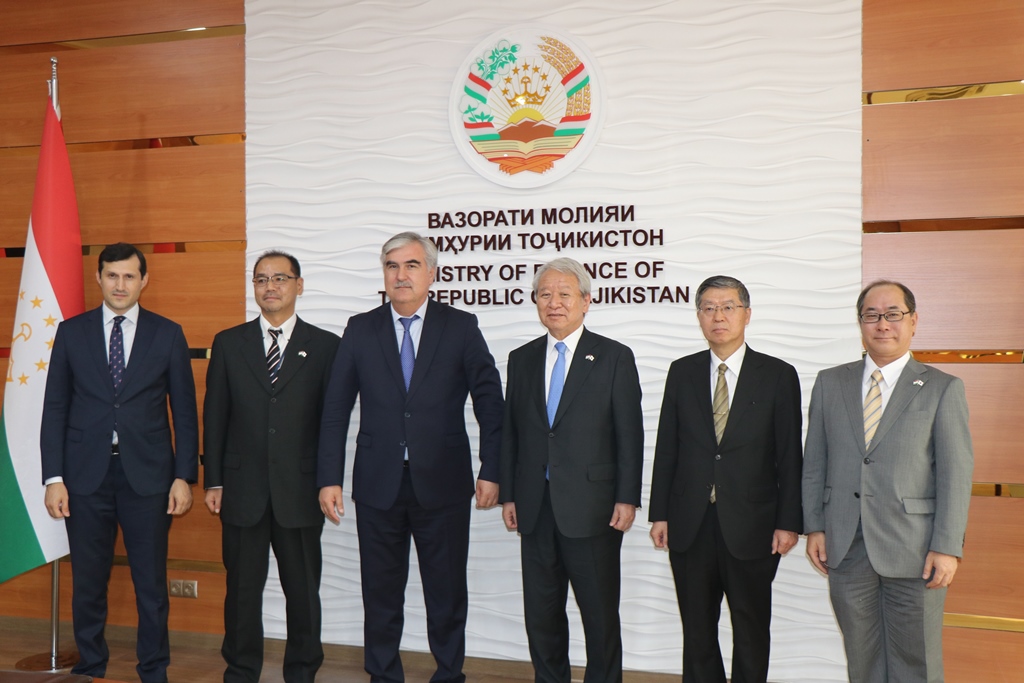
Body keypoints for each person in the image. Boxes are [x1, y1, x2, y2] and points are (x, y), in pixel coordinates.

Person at [317, 232, 503, 683]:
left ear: (431, 273)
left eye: (412, 265)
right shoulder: (360, 328)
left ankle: (449, 674)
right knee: (380, 594)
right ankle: (383, 675)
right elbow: (336, 407)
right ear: (383, 273)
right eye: (392, 266)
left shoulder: (460, 326)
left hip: (443, 482)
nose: (401, 275)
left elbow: (490, 401)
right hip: (377, 482)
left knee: (446, 592)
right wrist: (329, 477)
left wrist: (493, 468)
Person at [41, 242, 198, 683]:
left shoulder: (168, 334)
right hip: (84, 478)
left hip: (149, 478)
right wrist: (54, 477)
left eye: (130, 276)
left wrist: (184, 477)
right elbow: (55, 407)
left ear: (144, 280)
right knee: (88, 584)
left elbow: (185, 413)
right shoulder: (71, 333)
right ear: (99, 278)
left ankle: (154, 669)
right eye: (112, 275)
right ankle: (90, 666)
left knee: (151, 584)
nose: (120, 284)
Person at [803, 280, 974, 682]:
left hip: (915, 548)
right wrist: (815, 526)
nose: (883, 324)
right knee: (861, 659)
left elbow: (955, 473)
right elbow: (815, 462)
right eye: (872, 315)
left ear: (913, 321)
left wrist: (947, 546)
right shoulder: (830, 382)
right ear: (860, 322)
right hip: (846, 545)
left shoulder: (942, 388)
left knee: (917, 660)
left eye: (893, 314)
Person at [648, 275, 803, 683]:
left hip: (754, 524)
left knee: (751, 628)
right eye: (709, 308)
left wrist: (789, 522)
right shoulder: (682, 372)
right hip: (690, 522)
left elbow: (790, 456)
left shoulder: (777, 374)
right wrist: (660, 513)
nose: (718, 316)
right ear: (699, 316)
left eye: (728, 307)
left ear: (747, 314)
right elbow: (668, 447)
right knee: (697, 630)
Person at [499, 257, 644, 683]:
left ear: (585, 300)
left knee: (599, 615)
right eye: (545, 294)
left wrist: (627, 497)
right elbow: (511, 433)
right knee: (541, 614)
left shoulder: (614, 357)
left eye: (564, 294)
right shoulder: (521, 358)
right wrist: (509, 494)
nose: (554, 303)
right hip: (534, 505)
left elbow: (629, 434)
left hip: (594, 508)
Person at [203, 251, 340, 683]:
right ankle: (241, 670)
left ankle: (302, 671)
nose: (270, 286)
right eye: (261, 279)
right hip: (241, 490)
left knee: (303, 592)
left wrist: (329, 481)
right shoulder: (230, 343)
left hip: (300, 490)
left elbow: (332, 423)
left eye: (280, 278)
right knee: (242, 592)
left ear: (299, 285)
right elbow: (215, 415)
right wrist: (214, 480)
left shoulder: (326, 346)